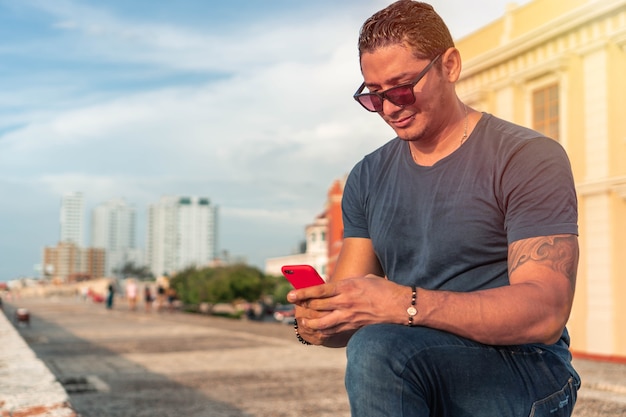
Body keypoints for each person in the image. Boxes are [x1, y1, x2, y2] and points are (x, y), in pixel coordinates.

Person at [287, 1, 580, 416]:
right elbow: (350, 311)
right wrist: (318, 323)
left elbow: (545, 313)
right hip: (412, 356)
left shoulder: (527, 156)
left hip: (523, 366)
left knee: (379, 348)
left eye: (403, 87)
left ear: (450, 65)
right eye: (374, 96)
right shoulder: (367, 176)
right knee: (377, 347)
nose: (390, 108)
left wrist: (402, 304)